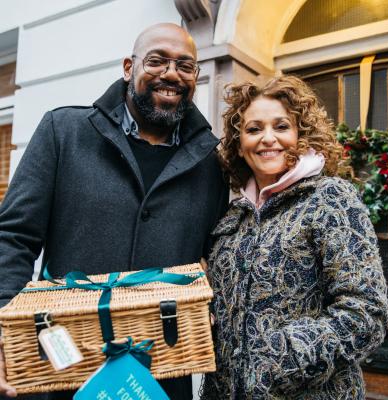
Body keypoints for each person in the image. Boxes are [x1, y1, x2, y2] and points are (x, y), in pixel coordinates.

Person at [0, 23, 228, 400]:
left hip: (160, 374)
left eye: (186, 66)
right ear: (128, 67)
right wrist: (6, 328)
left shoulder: (212, 165)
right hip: (61, 363)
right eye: (157, 61)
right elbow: (12, 237)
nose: (171, 74)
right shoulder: (64, 131)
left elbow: (214, 259)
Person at [201, 76, 388, 399]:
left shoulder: (331, 198)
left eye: (281, 126)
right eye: (254, 129)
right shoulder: (232, 217)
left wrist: (281, 356)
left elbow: (366, 313)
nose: (267, 138)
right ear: (239, 143)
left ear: (301, 133)